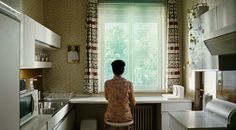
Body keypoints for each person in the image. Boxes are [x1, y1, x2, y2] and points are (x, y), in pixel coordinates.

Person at [104, 60, 136, 130]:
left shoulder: (107, 83)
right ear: (123, 70)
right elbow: (133, 103)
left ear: (113, 70)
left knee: (107, 117)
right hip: (125, 117)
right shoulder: (129, 84)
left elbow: (107, 98)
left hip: (111, 117)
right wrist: (123, 107)